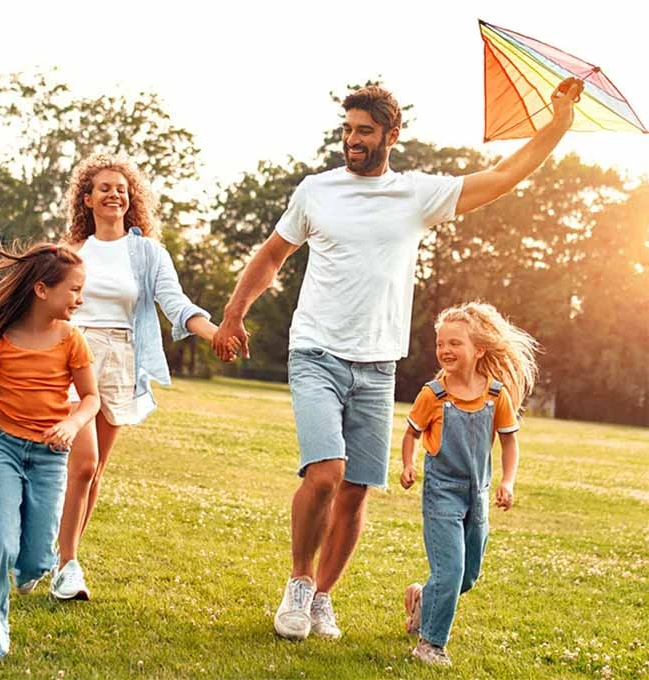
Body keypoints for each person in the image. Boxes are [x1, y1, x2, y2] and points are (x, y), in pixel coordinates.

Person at [211, 77, 583, 640]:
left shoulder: (416, 195)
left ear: (391, 134)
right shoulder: (316, 191)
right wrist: (235, 312)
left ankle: (323, 600)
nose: (352, 141)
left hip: (378, 362)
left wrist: (554, 126)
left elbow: (503, 178)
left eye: (364, 131)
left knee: (357, 488)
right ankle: (298, 584)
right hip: (315, 349)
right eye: (347, 130)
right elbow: (271, 254)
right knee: (325, 474)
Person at [51, 154, 239, 600]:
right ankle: (65, 565)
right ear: (87, 198)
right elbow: (43, 304)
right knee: (79, 465)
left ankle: (62, 555)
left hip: (120, 359)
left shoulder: (147, 252)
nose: (114, 193)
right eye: (104, 188)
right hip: (73, 354)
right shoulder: (71, 252)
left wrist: (217, 336)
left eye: (121, 188)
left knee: (94, 470)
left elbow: (176, 304)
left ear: (130, 197)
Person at [0, 241, 100, 662]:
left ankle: (10, 560)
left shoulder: (72, 340)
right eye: (74, 289)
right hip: (3, 445)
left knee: (36, 561)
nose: (80, 298)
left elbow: (91, 398)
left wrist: (72, 423)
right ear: (41, 290)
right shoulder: (0, 333)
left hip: (50, 456)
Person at [399, 302, 538, 666]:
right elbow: (411, 433)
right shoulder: (433, 394)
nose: (445, 350)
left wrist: (507, 482)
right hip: (441, 493)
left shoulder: (496, 395)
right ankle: (430, 645)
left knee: (468, 576)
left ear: (478, 350)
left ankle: (423, 599)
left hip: (477, 495)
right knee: (451, 570)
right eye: (441, 343)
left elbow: (509, 442)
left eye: (455, 343)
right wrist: (407, 464)